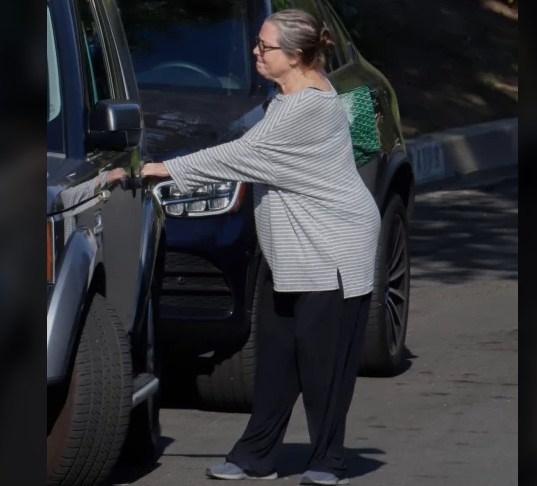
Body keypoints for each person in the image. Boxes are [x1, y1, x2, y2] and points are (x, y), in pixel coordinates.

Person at [141, 8, 381, 486]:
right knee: (275, 355)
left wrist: (165, 168)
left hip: (332, 248)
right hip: (294, 249)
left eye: (265, 46)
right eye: (258, 43)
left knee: (323, 363)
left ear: (294, 56)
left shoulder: (307, 108)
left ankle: (328, 460)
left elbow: (243, 155)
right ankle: (256, 456)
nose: (256, 51)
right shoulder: (288, 96)